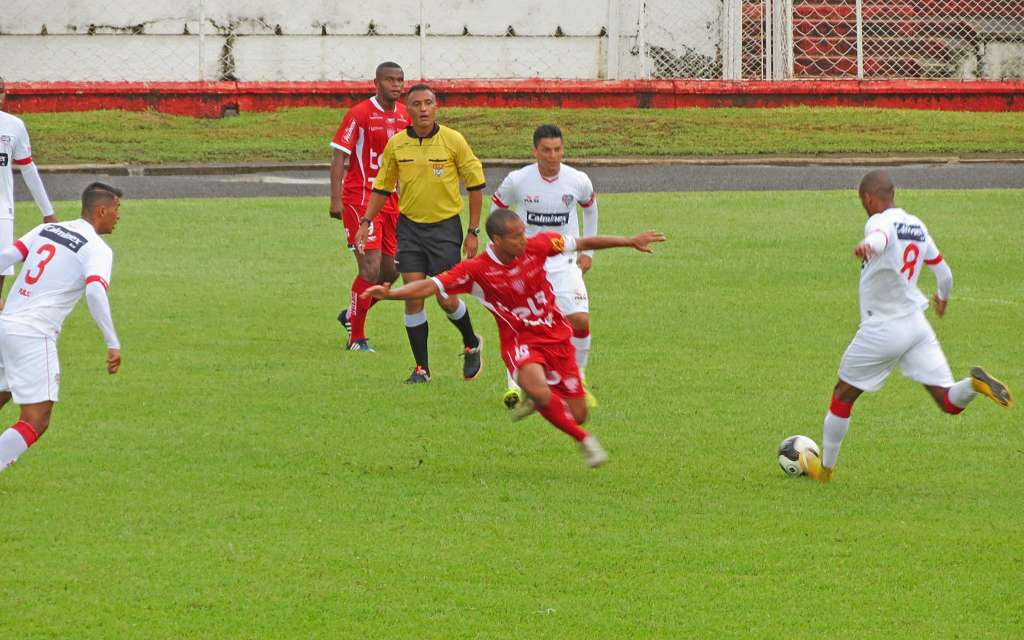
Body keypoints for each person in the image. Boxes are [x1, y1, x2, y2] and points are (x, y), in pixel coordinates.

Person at [362, 208, 665, 467]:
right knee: (544, 394)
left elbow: (583, 241)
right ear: (497, 240)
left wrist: (630, 241)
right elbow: (431, 286)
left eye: (523, 232)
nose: (523, 239)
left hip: (556, 336)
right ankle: (585, 442)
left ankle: (545, 402)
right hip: (521, 341)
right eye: (516, 236)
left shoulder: (539, 245)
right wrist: (391, 294)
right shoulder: (476, 270)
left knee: (579, 413)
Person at [801, 170, 1012, 483]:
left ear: (868, 199)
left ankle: (825, 471)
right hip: (917, 326)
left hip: (883, 329)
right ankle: (975, 385)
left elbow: (880, 236)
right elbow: (945, 273)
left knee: (842, 395)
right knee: (947, 400)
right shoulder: (917, 225)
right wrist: (942, 297)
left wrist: (868, 245)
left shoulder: (878, 221)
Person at [356, 83, 485, 383]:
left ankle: (471, 341)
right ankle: (421, 369)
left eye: (429, 103)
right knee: (413, 296)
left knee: (444, 297)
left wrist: (473, 231)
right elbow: (383, 187)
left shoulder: (453, 140)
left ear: (436, 106)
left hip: (445, 229)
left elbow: (476, 185)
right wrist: (365, 221)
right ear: (408, 109)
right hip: (411, 228)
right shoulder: (398, 145)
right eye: (417, 104)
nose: (423, 109)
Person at [0, 181, 122, 473]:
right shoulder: (98, 249)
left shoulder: (47, 229)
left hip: (5, 328)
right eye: (117, 210)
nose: (119, 217)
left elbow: (5, 258)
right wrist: (112, 341)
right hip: (33, 334)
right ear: (101, 210)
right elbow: (95, 291)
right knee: (36, 419)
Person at [491, 124, 598, 409]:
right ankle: (514, 385)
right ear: (535, 151)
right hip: (525, 262)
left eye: (558, 150)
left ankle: (579, 378)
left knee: (580, 320)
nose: (553, 156)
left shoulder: (578, 180)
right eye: (547, 150)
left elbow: (590, 208)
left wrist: (587, 251)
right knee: (522, 324)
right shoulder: (518, 180)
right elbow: (498, 208)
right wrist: (500, 249)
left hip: (564, 261)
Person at [329, 61, 410, 352]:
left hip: (392, 202)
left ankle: (352, 313)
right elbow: (339, 155)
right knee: (371, 268)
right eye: (390, 80)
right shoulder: (360, 113)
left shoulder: (405, 115)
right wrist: (336, 197)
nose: (396, 85)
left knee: (392, 272)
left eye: (400, 80)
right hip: (361, 200)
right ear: (375, 82)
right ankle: (356, 338)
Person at [0, 75, 58, 304]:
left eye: (2, 90)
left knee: (3, 263)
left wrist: (47, 211)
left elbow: (28, 169)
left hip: (2, 208)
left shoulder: (13, 125)